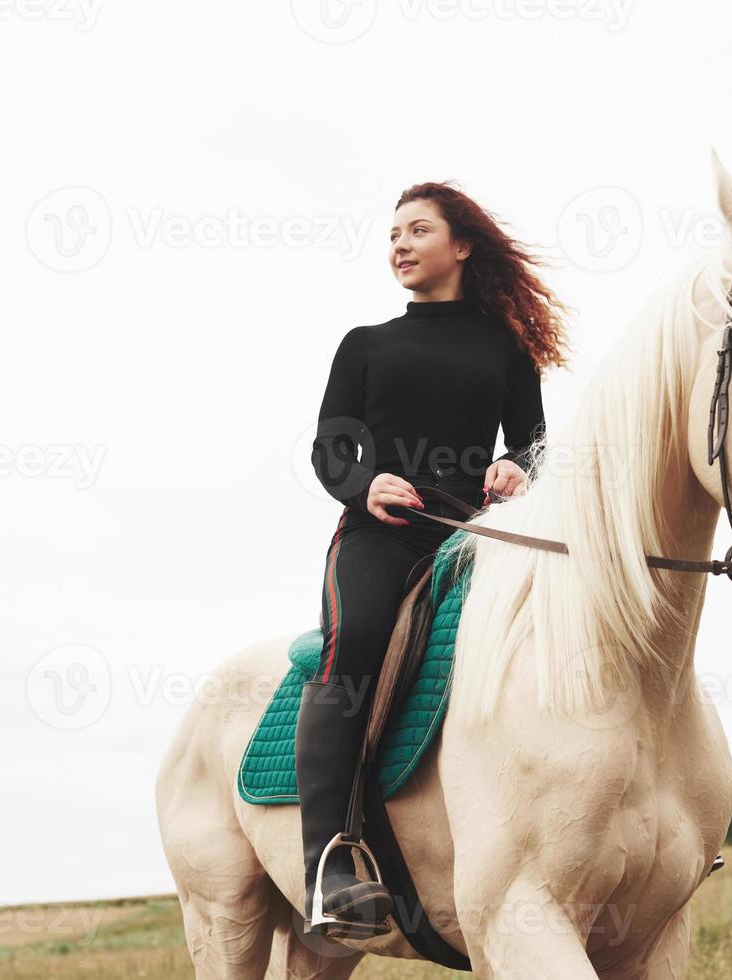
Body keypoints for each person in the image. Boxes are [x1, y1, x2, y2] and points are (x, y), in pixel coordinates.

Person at [301, 181, 568, 935]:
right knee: (354, 643)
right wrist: (364, 483)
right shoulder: (366, 344)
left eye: (418, 229)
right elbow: (329, 446)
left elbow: (532, 443)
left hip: (474, 535)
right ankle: (329, 864)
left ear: (461, 246)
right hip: (381, 533)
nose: (400, 244)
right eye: (393, 234)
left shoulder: (506, 348)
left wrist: (518, 468)